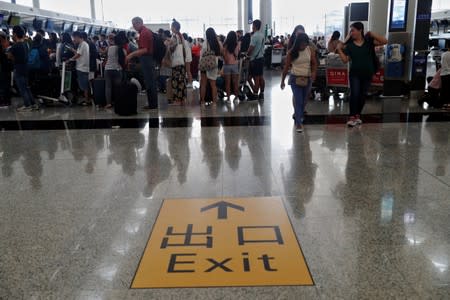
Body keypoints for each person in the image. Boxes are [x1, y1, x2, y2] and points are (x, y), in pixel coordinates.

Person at [336, 22, 387, 127]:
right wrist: (340, 49)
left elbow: (385, 41)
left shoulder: (369, 42)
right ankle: (352, 117)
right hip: (355, 74)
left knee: (362, 95)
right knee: (354, 94)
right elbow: (345, 60)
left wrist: (372, 33)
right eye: (350, 31)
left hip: (367, 73)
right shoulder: (350, 46)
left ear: (360, 30)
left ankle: (358, 115)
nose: (351, 33)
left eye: (353, 30)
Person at [281, 33, 318, 133]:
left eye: (305, 44)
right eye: (302, 44)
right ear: (297, 43)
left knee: (305, 100)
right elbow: (286, 68)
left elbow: (314, 63)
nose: (303, 46)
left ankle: (299, 115)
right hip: (295, 79)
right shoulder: (291, 52)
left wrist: (314, 73)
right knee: (298, 100)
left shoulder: (310, 50)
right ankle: (298, 123)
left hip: (307, 79)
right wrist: (282, 81)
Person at [126, 17, 158, 110]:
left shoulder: (144, 33)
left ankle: (152, 104)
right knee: (150, 81)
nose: (133, 26)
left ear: (140, 23)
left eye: (134, 24)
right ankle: (153, 103)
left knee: (149, 82)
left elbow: (145, 49)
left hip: (147, 60)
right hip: (147, 60)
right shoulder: (145, 31)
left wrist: (131, 55)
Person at [7, 26, 37, 112]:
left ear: (15, 34)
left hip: (19, 69)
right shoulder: (25, 44)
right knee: (26, 87)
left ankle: (27, 105)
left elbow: (9, 56)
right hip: (25, 68)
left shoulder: (15, 46)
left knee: (22, 88)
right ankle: (33, 104)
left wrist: (13, 57)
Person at [168, 19, 192, 105]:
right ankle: (182, 99)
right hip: (181, 61)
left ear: (174, 27)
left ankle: (177, 100)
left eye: (171, 27)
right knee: (181, 81)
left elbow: (172, 48)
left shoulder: (174, 36)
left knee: (176, 81)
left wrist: (168, 45)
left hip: (176, 62)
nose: (171, 29)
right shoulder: (181, 36)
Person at [200, 27, 222, 106]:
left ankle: (202, 101)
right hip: (213, 65)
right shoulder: (217, 43)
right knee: (213, 84)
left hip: (205, 65)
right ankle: (214, 102)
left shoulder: (205, 43)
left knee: (203, 84)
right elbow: (220, 53)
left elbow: (201, 55)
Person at [104, 33, 126, 109]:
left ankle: (108, 103)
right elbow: (124, 60)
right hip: (117, 69)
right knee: (118, 87)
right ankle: (118, 101)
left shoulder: (109, 48)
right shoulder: (121, 49)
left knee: (108, 87)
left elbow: (106, 57)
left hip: (108, 69)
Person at [69, 31, 91, 106]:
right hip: (81, 67)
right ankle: (86, 99)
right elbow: (78, 54)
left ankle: (87, 100)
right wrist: (73, 51)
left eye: (74, 38)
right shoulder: (82, 44)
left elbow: (78, 55)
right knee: (84, 85)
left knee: (84, 85)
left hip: (82, 67)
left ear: (78, 37)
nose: (74, 39)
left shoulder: (83, 44)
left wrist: (70, 59)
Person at [247, 19, 265, 100]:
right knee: (260, 77)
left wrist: (247, 54)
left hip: (255, 59)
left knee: (255, 78)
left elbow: (251, 48)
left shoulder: (254, 36)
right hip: (261, 58)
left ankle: (255, 94)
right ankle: (261, 93)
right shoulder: (261, 35)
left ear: (254, 26)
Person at [222, 31, 240, 102]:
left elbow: (223, 54)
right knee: (235, 82)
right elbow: (237, 54)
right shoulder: (237, 44)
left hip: (227, 65)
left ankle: (229, 99)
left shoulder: (225, 45)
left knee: (227, 83)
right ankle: (236, 98)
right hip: (235, 65)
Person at [0, 31, 12, 107]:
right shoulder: (8, 45)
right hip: (6, 68)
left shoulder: (5, 45)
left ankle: (5, 101)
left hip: (4, 68)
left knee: (4, 85)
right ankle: (6, 100)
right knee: (6, 85)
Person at [440, 44, 450, 110]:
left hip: (443, 75)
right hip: (449, 74)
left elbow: (442, 64)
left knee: (444, 90)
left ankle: (444, 104)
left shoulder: (444, 54)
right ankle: (449, 104)